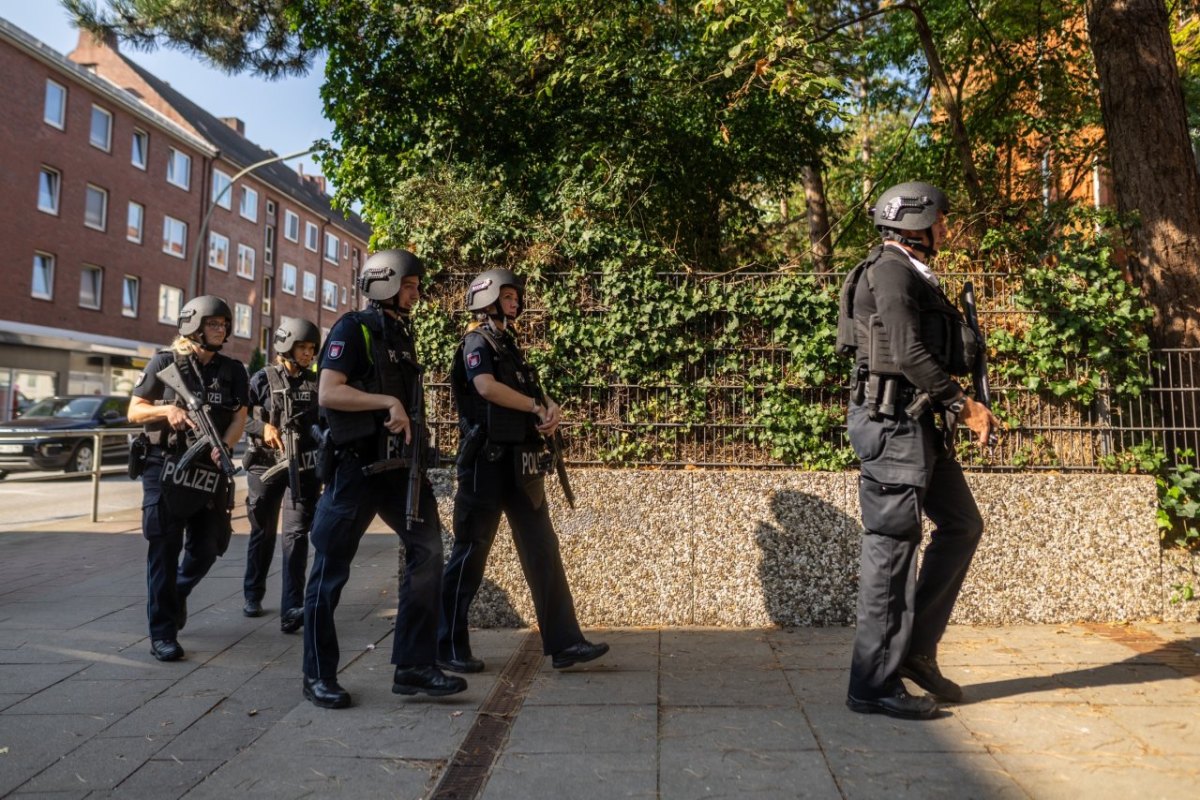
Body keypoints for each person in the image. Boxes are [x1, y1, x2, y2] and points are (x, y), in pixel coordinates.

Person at [839, 181, 1000, 719]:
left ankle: (914, 653)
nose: (946, 228)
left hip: (919, 424)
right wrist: (964, 405)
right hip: (892, 424)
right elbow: (906, 351)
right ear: (917, 223)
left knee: (962, 525)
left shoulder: (912, 272)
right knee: (891, 547)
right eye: (941, 220)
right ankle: (872, 685)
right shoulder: (888, 271)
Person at [301, 249, 466, 709]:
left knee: (428, 552)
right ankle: (317, 675)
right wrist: (387, 403)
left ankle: (415, 665)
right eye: (410, 286)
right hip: (356, 469)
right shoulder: (352, 329)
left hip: (400, 470)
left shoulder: (399, 333)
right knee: (330, 571)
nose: (417, 294)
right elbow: (330, 391)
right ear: (385, 283)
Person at [438, 268, 608, 674]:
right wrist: (533, 408)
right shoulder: (476, 341)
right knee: (470, 554)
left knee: (543, 549)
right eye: (509, 295)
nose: (516, 302)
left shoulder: (509, 344)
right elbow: (486, 388)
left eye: (516, 296)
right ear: (489, 298)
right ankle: (445, 645)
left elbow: (531, 388)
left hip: (521, 465)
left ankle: (565, 643)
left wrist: (550, 408)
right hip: (485, 465)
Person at [127, 295, 249, 662]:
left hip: (208, 468)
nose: (221, 330)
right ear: (194, 325)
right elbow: (134, 410)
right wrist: (168, 410)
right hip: (164, 464)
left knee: (209, 546)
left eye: (224, 325)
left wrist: (223, 446)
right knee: (163, 549)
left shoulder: (233, 370)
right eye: (214, 324)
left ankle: (178, 592)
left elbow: (240, 417)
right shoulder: (165, 362)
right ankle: (162, 633)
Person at [241, 317, 322, 632]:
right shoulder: (261, 379)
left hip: (303, 468)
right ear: (287, 346)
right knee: (262, 532)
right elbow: (238, 417)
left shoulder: (315, 383)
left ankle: (292, 607)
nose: (308, 353)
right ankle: (253, 593)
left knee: (297, 535)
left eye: (312, 348)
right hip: (265, 466)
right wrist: (263, 428)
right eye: (303, 347)